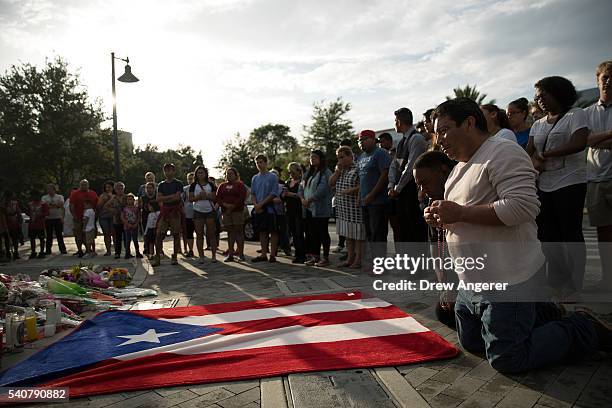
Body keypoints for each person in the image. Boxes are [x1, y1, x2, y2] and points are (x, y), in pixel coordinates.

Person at [426, 97, 610, 373]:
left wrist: (461, 213)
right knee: (473, 343)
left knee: (507, 358)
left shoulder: (503, 152)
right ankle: (543, 312)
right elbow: (462, 215)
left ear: (469, 122)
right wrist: (442, 218)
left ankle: (583, 328)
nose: (439, 140)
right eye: (435, 133)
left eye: (443, 130)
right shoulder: (457, 170)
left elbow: (523, 207)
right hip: (473, 284)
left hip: (508, 280)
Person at [527, 76, 589, 295]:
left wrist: (547, 154)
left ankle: (575, 284)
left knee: (570, 234)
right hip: (544, 184)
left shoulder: (576, 115)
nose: (540, 99)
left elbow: (579, 143)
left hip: (570, 181)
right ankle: (556, 281)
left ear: (559, 92)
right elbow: (530, 151)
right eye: (537, 97)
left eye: (544, 94)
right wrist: (530, 161)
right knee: (547, 234)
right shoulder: (537, 124)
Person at [413, 151, 458, 328]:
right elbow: (437, 255)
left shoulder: (467, 196)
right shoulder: (434, 205)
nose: (423, 192)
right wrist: (445, 289)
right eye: (419, 186)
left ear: (444, 171)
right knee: (444, 312)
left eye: (425, 183)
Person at [585, 60, 612, 291]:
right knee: (603, 233)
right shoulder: (587, 113)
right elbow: (586, 140)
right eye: (605, 77)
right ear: (598, 80)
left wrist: (598, 138)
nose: (609, 81)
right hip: (595, 179)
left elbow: (594, 140)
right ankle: (606, 277)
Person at [388, 108, 428, 243]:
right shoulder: (401, 142)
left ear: (399, 122)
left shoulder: (416, 138)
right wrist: (391, 185)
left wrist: (397, 188)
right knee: (403, 229)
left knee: (414, 230)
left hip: (411, 190)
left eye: (395, 121)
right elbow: (394, 165)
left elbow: (411, 167)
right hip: (400, 192)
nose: (394, 123)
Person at [330, 146, 364, 268]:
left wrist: (351, 190)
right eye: (338, 158)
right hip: (343, 208)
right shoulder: (340, 169)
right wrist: (338, 171)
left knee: (358, 235)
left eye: (342, 157)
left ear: (351, 156)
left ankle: (358, 259)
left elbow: (362, 186)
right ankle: (350, 259)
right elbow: (331, 183)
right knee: (348, 235)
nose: (340, 160)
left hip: (355, 207)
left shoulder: (358, 168)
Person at [302, 150, 333, 267]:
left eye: (315, 157)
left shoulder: (326, 172)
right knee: (312, 233)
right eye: (311, 157)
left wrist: (309, 200)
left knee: (322, 233)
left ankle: (325, 257)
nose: (312, 159)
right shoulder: (308, 172)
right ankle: (315, 256)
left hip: (321, 208)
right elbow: (302, 186)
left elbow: (323, 189)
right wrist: (302, 199)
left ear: (321, 159)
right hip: (309, 208)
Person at [152, 163, 184, 266]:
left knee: (176, 234)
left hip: (175, 211)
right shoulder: (161, 185)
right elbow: (158, 198)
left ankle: (174, 257)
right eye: (166, 170)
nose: (168, 172)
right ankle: (157, 258)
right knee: (159, 235)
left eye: (170, 170)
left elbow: (178, 197)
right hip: (165, 211)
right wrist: (171, 196)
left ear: (173, 171)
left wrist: (166, 197)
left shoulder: (178, 183)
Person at [251, 155, 280, 263]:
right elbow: (253, 193)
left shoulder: (272, 177)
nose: (259, 164)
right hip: (258, 208)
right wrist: (255, 205)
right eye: (257, 162)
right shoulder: (255, 178)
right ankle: (263, 254)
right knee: (262, 231)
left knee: (273, 231)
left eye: (261, 162)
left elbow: (273, 193)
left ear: (266, 163)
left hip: (269, 207)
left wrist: (262, 204)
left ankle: (272, 254)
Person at [216, 167, 248, 262]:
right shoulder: (222, 186)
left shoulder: (240, 185)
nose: (228, 175)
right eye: (227, 174)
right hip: (226, 212)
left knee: (239, 232)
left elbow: (242, 197)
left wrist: (233, 206)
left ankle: (241, 254)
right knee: (230, 233)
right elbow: (218, 198)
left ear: (235, 175)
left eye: (231, 173)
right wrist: (225, 205)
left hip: (237, 211)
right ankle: (230, 254)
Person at [188, 165, 217, 264]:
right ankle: (201, 256)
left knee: (211, 233)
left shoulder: (211, 185)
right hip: (198, 211)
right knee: (199, 234)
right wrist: (198, 197)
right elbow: (190, 199)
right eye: (198, 173)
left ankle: (214, 255)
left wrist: (207, 196)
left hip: (209, 211)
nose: (200, 174)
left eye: (202, 172)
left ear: (206, 173)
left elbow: (214, 197)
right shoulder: (193, 185)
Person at [69, 179, 98, 257]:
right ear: (79, 185)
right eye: (82, 184)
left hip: (90, 219)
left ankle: (90, 250)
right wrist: (74, 216)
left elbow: (96, 205)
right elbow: (71, 206)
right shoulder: (75, 194)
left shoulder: (93, 193)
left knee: (90, 235)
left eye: (85, 184)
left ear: (88, 185)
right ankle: (79, 250)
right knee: (78, 235)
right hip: (78, 218)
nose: (84, 186)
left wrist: (94, 216)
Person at [284, 162, 306, 264]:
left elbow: (301, 196)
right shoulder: (287, 182)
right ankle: (297, 254)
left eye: (293, 172)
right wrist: (283, 194)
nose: (291, 174)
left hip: (298, 210)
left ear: (299, 171)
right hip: (289, 210)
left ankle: (302, 255)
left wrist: (290, 194)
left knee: (299, 233)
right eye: (289, 172)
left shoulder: (302, 182)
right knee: (293, 233)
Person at [271, 169, 291, 257]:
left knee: (284, 231)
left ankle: (286, 249)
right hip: (271, 212)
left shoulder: (282, 186)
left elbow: (284, 198)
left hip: (282, 212)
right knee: (273, 231)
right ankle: (274, 250)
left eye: (275, 175)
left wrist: (282, 198)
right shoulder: (268, 186)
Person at [41, 183, 66, 255]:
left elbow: (61, 204)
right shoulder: (44, 197)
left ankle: (62, 249)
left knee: (59, 235)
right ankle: (48, 250)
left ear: (54, 189)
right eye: (47, 189)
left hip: (58, 218)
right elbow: (45, 206)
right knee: (49, 235)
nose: (49, 190)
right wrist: (55, 205)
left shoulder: (59, 197)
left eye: (50, 189)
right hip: (48, 218)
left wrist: (52, 205)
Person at [27, 190, 49, 259]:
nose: (35, 197)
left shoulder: (43, 204)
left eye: (36, 195)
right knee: (32, 239)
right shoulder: (30, 204)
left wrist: (40, 215)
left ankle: (42, 252)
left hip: (40, 224)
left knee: (42, 239)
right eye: (33, 195)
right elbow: (27, 212)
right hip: (32, 224)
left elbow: (47, 213)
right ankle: (33, 252)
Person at [121, 193, 142, 259]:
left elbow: (139, 217)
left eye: (131, 199)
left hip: (135, 226)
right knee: (128, 240)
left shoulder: (136, 208)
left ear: (134, 200)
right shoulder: (124, 209)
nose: (130, 201)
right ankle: (127, 253)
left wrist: (136, 224)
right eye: (128, 199)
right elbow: (122, 217)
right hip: (127, 226)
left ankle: (137, 252)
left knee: (135, 240)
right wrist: (127, 224)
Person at [97, 181, 115, 256]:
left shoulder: (115, 195)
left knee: (114, 234)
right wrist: (104, 200)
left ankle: (116, 250)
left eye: (109, 187)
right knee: (106, 234)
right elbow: (98, 206)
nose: (108, 189)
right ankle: (108, 251)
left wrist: (111, 197)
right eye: (106, 187)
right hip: (104, 217)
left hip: (113, 217)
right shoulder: (102, 196)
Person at [139, 181, 157, 256]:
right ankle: (147, 249)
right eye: (147, 188)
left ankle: (159, 249)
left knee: (157, 234)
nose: (149, 189)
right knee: (146, 234)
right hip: (145, 217)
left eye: (150, 188)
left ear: (154, 188)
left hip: (155, 218)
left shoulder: (157, 197)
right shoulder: (143, 198)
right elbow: (139, 208)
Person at [110, 182, 127, 260]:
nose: (120, 190)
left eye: (121, 188)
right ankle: (117, 253)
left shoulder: (127, 197)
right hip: (116, 220)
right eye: (118, 188)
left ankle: (128, 252)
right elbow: (106, 206)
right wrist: (113, 210)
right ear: (115, 190)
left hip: (126, 220)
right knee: (117, 238)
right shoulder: (113, 198)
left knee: (127, 237)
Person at [5, 191, 22, 259]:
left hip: (15, 222)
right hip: (7, 222)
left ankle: (16, 252)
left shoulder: (15, 203)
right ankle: (8, 253)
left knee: (15, 239)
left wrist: (19, 218)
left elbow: (18, 211)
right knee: (7, 239)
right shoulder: (4, 204)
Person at [182, 172, 195, 258]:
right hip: (188, 213)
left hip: (198, 212)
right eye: (189, 179)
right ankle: (190, 250)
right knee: (188, 232)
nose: (191, 180)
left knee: (200, 233)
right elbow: (182, 200)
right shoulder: (184, 189)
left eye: (192, 178)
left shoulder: (199, 187)